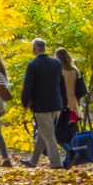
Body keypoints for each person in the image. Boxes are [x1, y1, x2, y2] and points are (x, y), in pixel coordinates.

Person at [20, 37, 66, 168]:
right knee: (44, 132)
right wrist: (64, 102)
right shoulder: (57, 63)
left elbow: (28, 86)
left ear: (34, 50)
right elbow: (61, 84)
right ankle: (33, 161)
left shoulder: (33, 64)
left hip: (42, 105)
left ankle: (56, 163)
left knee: (49, 134)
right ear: (45, 49)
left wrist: (25, 101)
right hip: (57, 103)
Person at [54, 47, 88, 152]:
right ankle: (73, 152)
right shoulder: (75, 70)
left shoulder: (58, 70)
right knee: (71, 130)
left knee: (58, 132)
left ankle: (71, 152)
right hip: (73, 103)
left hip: (62, 103)